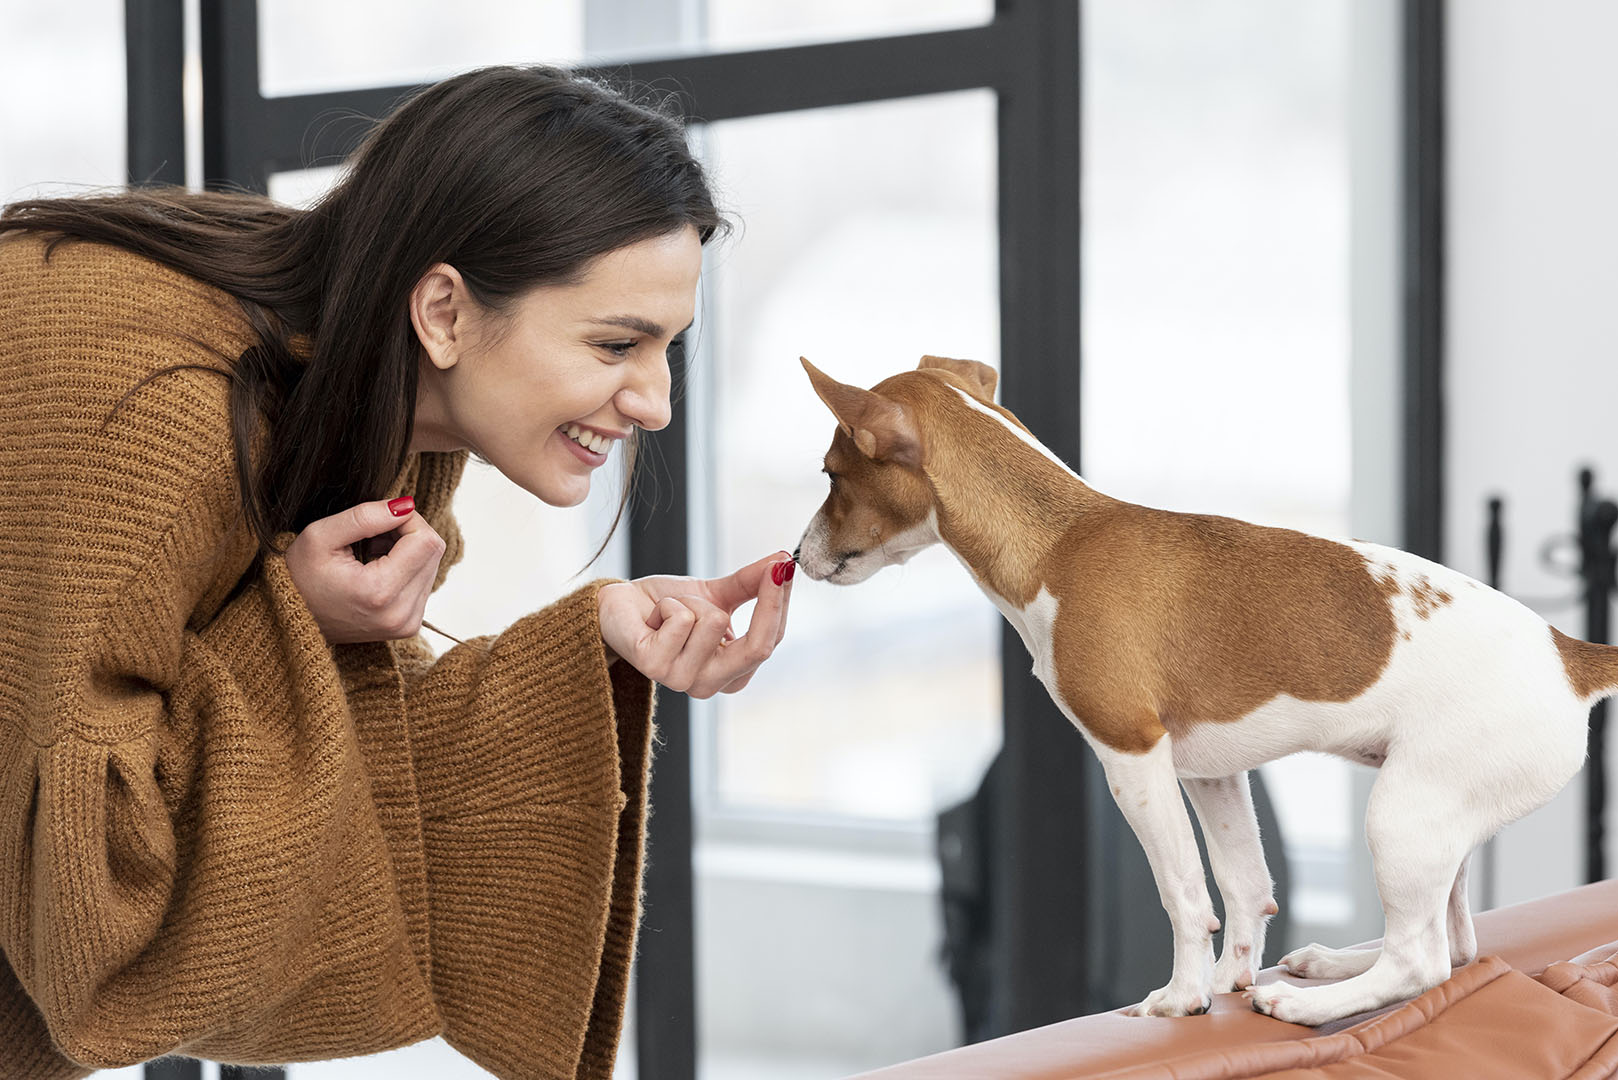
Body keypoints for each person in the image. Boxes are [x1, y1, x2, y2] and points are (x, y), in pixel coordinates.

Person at [0, 64, 793, 1080]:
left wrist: (599, 631)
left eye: (667, 348)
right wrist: (294, 618)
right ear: (446, 311)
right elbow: (90, 896)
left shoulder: (377, 400)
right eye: (615, 343)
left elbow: (338, 725)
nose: (652, 402)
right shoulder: (166, 420)